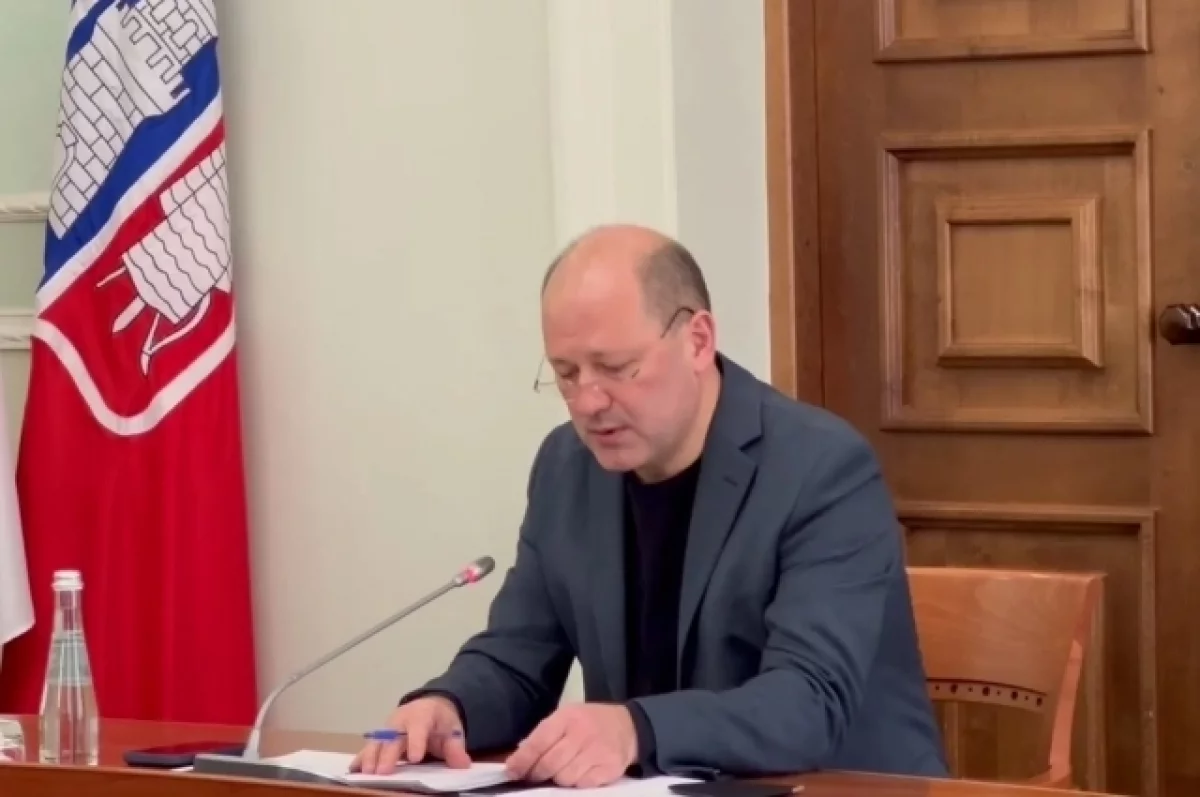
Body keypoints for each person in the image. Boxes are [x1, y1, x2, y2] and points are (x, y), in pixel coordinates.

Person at [353, 224, 947, 787]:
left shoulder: (821, 468)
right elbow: (518, 657)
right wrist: (448, 705)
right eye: (565, 373)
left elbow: (809, 702)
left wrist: (636, 729)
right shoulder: (566, 467)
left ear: (698, 341)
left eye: (616, 368)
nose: (588, 401)